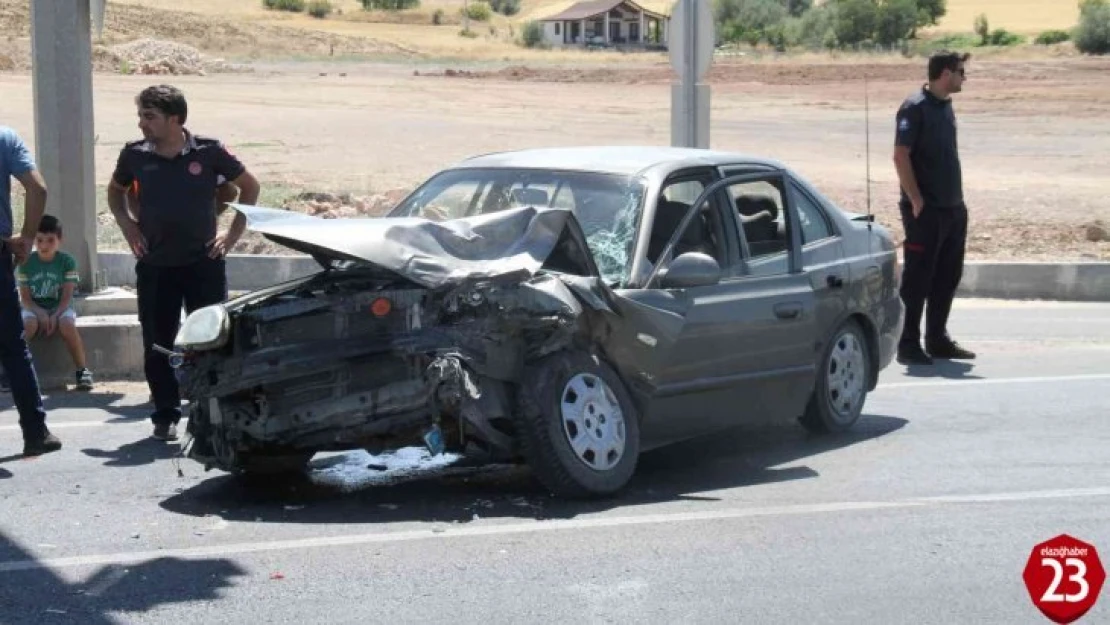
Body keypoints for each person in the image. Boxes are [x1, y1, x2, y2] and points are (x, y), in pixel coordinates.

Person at [106, 84, 260, 441]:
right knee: (158, 342)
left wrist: (230, 235)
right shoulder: (134, 154)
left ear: (175, 119)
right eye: (141, 116)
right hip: (156, 265)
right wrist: (129, 225)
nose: (142, 124)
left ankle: (210, 413)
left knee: (210, 341)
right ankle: (166, 414)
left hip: (202, 264)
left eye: (150, 116)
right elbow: (116, 191)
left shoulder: (209, 151)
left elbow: (247, 188)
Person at [892, 50, 977, 366]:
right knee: (918, 279)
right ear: (945, 74)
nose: (963, 78)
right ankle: (908, 343)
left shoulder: (945, 107)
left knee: (947, 276)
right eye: (960, 72)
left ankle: (937, 339)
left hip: (953, 208)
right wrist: (916, 200)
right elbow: (900, 155)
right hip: (925, 212)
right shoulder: (915, 108)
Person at [0, 124, 62, 456]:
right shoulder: (5, 138)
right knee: (13, 348)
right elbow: (37, 189)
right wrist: (24, 239)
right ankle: (35, 432)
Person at [16, 214, 94, 391]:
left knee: (67, 324)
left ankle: (82, 371)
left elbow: (67, 296)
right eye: (39, 240)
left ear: (60, 240)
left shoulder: (67, 261)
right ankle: (11, 370)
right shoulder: (26, 262)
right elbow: (25, 299)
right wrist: (41, 313)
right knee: (28, 325)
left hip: (61, 306)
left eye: (50, 240)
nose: (44, 245)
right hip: (33, 307)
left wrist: (55, 314)